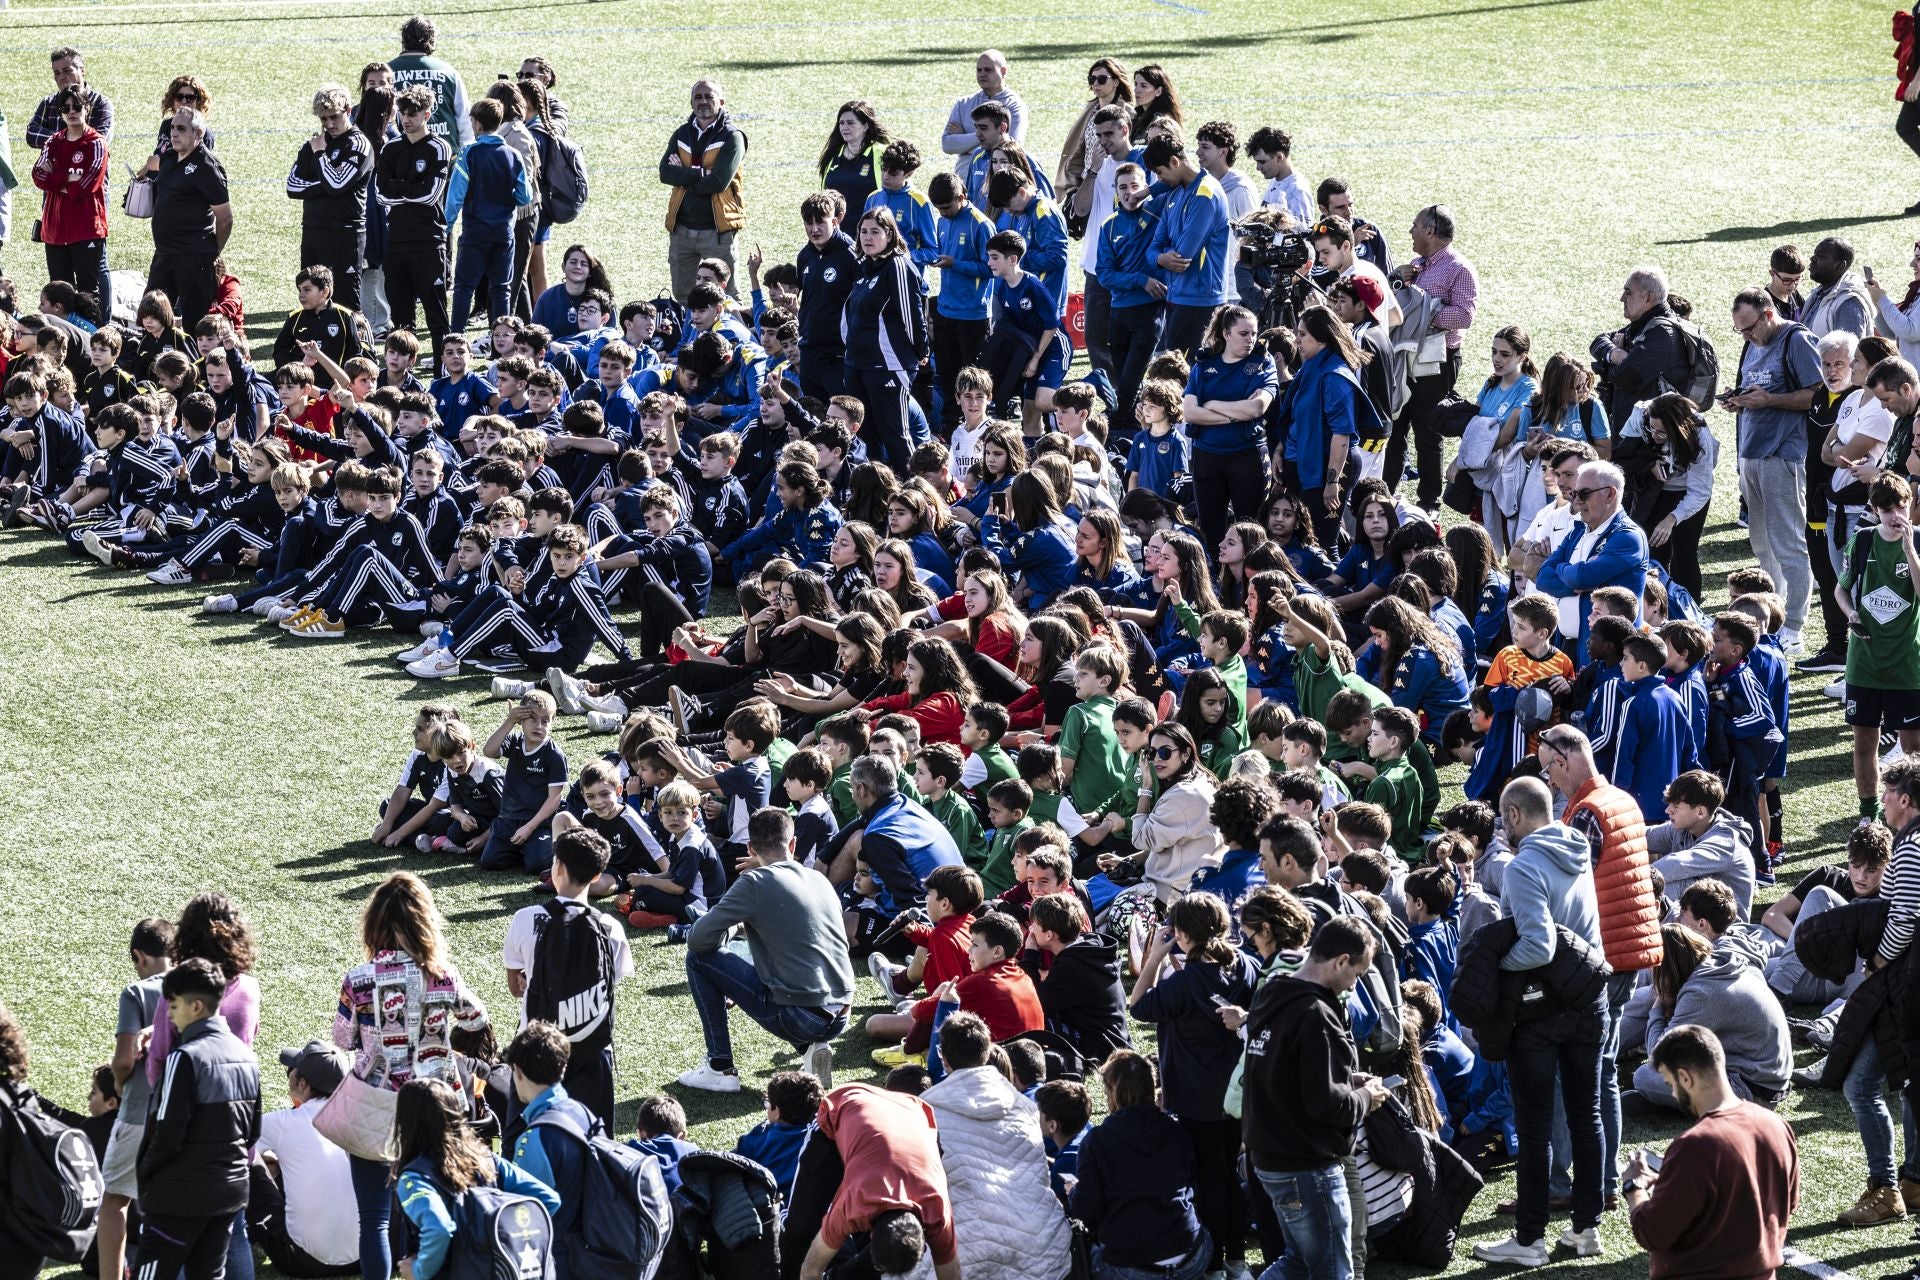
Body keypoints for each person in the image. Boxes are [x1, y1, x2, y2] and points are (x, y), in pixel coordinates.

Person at [1473, 776, 1608, 1266]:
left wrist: (1494, 970)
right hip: (1588, 1000)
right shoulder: (1578, 846)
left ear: (1513, 815)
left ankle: (1529, 1240)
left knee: (1534, 1128)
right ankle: (1586, 1230)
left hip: (1540, 1010)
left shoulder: (1522, 867)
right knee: (1585, 1115)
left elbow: (1538, 946)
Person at [331, 873, 488, 1280]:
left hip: (376, 1103)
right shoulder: (442, 975)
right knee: (437, 1202)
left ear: (374, 924)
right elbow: (477, 1017)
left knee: (375, 1218)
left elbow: (342, 1038)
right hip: (437, 1101)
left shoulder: (358, 980)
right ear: (425, 922)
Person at [1242, 916, 1387, 1280]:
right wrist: (1366, 1097)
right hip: (1306, 1165)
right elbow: (1329, 1106)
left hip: (1269, 1155)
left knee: (1299, 1262)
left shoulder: (1272, 995)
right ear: (1340, 961)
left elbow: (1284, 1069)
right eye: (1357, 973)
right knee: (1335, 1271)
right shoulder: (1316, 1014)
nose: (1354, 984)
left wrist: (1344, 1076)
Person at [678, 807, 854, 1093]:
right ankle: (810, 1048)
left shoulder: (754, 882)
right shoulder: (819, 880)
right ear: (793, 844)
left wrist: (730, 933)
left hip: (799, 1016)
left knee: (698, 959)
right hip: (841, 1014)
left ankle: (719, 1066)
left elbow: (698, 939)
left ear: (750, 847)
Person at [1623, 1025, 1799, 1279]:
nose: (1673, 1092)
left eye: (1670, 1083)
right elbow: (1782, 1203)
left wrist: (1634, 1188)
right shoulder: (1777, 1126)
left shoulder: (1695, 1145)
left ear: (1685, 1078)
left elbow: (1652, 1233)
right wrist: (1670, 1183)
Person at [919, 1013, 1075, 1280]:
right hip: (1044, 1244)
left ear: (943, 1056)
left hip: (972, 1252)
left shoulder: (924, 1115)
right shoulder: (1024, 1107)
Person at [137, 958, 263, 1280]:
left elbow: (166, 1134)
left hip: (180, 1197)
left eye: (173, 1005)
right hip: (229, 1195)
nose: (169, 1014)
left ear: (195, 1007)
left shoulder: (184, 1057)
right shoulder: (248, 1056)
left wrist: (145, 1175)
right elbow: (252, 1133)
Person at [501, 828, 634, 1130]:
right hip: (594, 1052)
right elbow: (611, 985)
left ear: (557, 866)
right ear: (599, 874)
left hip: (536, 1049)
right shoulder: (611, 927)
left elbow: (515, 988)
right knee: (593, 1142)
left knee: (520, 1138)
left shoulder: (527, 917)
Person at [781, 1082, 961, 1280]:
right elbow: (810, 1271)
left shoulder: (938, 1215)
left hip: (912, 1112)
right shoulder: (855, 1203)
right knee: (800, 1228)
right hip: (848, 1104)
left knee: (883, 1256)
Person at [391, 1078, 560, 1280]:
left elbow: (439, 1228)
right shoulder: (488, 1161)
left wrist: (419, 1271)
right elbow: (549, 1199)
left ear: (405, 1121)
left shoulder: (414, 1177)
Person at [1728, 287, 1821, 653]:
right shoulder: (1754, 344)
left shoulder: (1795, 340)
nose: (1746, 336)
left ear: (1768, 314)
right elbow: (1757, 391)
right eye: (1740, 330)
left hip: (1784, 454)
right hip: (1752, 453)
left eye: (1749, 328)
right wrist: (1739, 402)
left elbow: (1818, 394)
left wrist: (1770, 400)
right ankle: (1773, 615)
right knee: (1762, 543)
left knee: (1788, 543)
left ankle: (1795, 626)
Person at [1071, 1049, 1212, 1280]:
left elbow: (1085, 1208)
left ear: (1111, 1093)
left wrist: (1075, 1192)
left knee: (1079, 1252)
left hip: (1131, 1264)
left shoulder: (1097, 1141)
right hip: (1190, 1256)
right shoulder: (1177, 1130)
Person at [1626, 924, 1791, 1114]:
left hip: (1753, 1090)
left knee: (1645, 1077)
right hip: (1766, 1078)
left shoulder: (1701, 992)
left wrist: (1657, 1007)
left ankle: (1675, 1105)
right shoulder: (1719, 966)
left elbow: (1658, 1056)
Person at [1838, 476, 1920, 823]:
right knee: (1864, 743)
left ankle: (1913, 812)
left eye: (1900, 507)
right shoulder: (1863, 541)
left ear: (1910, 503)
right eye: (1886, 510)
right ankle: (1868, 813)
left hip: (1908, 664)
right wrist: (1851, 612)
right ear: (1874, 509)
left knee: (1914, 749)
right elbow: (1841, 591)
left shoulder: (1918, 541)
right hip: (1865, 663)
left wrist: (1909, 550)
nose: (1894, 515)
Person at [1389, 205, 1478, 509]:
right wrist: (1395, 280)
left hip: (1437, 361)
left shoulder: (1459, 268)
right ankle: (1386, 493)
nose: (1410, 231)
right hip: (1406, 356)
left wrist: (1425, 314)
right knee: (1396, 423)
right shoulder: (1416, 265)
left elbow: (1465, 315)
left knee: (1427, 432)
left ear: (1430, 230)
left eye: (1414, 225)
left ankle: (1429, 502)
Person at [250, 1043, 359, 1277]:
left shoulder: (284, 1123)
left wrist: (272, 1161)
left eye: (291, 1072)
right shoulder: (359, 1119)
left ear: (302, 1083)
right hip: (366, 1256)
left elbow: (235, 1146)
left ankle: (239, 1234)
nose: (288, 1076)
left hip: (301, 1262)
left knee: (249, 1159)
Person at [1182, 304, 1279, 547]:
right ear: (1226, 333)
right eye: (1243, 334)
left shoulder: (1262, 363)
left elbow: (1256, 408)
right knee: (1211, 529)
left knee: (1251, 530)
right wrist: (1235, 414)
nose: (1251, 340)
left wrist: (1212, 403)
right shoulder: (1204, 365)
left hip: (1247, 456)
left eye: (1254, 334)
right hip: (1208, 457)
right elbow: (1190, 413)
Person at [1535, 459, 1648, 663]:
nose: (1576, 502)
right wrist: (1574, 575)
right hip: (1568, 645)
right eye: (1575, 493)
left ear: (1610, 494)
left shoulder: (1628, 537)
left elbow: (1582, 577)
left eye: (1584, 494)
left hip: (1610, 653)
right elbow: (1543, 578)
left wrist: (1565, 570)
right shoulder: (1578, 531)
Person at [841, 207, 927, 470]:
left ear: (889, 235)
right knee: (865, 437)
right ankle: (876, 494)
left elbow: (912, 313)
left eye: (875, 232)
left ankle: (919, 494)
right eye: (863, 232)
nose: (867, 237)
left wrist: (921, 350)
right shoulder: (864, 267)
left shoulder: (897, 266)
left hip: (888, 365)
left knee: (895, 435)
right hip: (858, 364)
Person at [377, 86, 454, 356]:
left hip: (428, 241)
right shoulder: (391, 147)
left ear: (427, 114)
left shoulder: (439, 147)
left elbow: (430, 195)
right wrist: (411, 187)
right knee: (401, 319)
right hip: (396, 241)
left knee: (436, 315)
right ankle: (401, 374)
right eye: (402, 113)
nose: (406, 119)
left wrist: (399, 187)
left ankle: (441, 368)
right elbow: (380, 194)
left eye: (412, 114)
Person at [446, 98, 532, 333]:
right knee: (501, 289)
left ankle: (455, 338)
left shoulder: (469, 153)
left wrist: (446, 226)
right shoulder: (512, 154)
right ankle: (501, 346)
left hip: (475, 233)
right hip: (504, 233)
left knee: (464, 287)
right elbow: (525, 196)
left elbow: (455, 196)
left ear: (476, 123)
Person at [286, 84, 375, 314]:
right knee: (311, 298)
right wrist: (327, 184)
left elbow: (337, 184)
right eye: (323, 119)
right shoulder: (313, 143)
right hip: (314, 231)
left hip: (346, 235)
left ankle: (358, 349)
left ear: (348, 110)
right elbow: (292, 186)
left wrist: (320, 156)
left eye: (334, 117)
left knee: (346, 304)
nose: (329, 125)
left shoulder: (358, 144)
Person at [659, 79, 746, 302]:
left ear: (721, 101)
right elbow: (665, 173)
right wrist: (701, 174)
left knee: (726, 296)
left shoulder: (732, 136)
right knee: (683, 296)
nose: (703, 102)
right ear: (691, 102)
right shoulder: (681, 133)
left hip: (718, 231)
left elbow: (718, 182)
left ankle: (730, 337)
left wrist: (685, 175)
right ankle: (689, 337)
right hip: (682, 230)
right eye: (698, 97)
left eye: (709, 97)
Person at [1146, 136, 1231, 356]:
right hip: (1177, 296)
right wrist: (1159, 258)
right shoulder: (1174, 192)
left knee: (1191, 376)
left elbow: (1183, 256)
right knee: (1175, 375)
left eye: (1160, 172)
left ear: (1175, 162)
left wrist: (1159, 256)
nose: (1159, 179)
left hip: (1201, 301)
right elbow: (1153, 247)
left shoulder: (1205, 194)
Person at [147, 108, 232, 328]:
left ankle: (198, 363)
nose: (174, 133)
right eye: (172, 127)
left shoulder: (207, 167)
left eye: (181, 129)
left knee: (197, 324)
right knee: (152, 317)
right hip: (164, 253)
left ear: (198, 133)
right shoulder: (168, 158)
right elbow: (152, 164)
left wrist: (213, 251)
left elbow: (225, 219)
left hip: (194, 257)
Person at [31, 87, 109, 304]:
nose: (72, 111)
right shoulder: (53, 141)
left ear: (87, 108)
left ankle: (92, 337)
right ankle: (64, 337)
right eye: (66, 108)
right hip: (55, 230)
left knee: (87, 294)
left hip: (86, 228)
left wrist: (54, 177)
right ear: (60, 112)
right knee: (59, 293)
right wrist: (67, 179)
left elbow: (87, 185)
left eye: (77, 106)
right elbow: (37, 176)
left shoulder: (96, 143)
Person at [1589, 266, 1691, 428]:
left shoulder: (1661, 334)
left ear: (1648, 298)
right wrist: (1617, 354)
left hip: (1647, 441)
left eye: (1628, 292)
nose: (1622, 298)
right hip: (1635, 431)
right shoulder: (1646, 325)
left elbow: (1623, 378)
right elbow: (1598, 341)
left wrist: (1603, 367)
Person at [387, 16, 472, 149]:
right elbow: (464, 119)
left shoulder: (385, 72)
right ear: (431, 39)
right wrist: (464, 154)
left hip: (401, 154)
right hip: (445, 155)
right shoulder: (448, 72)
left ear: (404, 39)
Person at [942, 50, 1027, 157]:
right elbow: (947, 145)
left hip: (995, 172)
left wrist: (964, 140)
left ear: (1003, 71)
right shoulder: (963, 104)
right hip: (962, 174)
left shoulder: (1015, 106)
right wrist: (992, 135)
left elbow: (1011, 148)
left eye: (988, 70)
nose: (982, 74)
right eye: (979, 70)